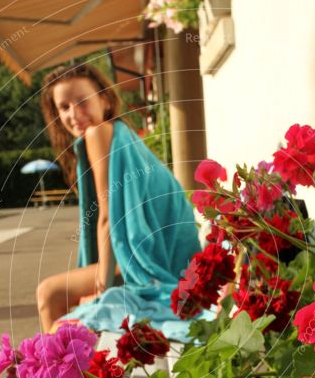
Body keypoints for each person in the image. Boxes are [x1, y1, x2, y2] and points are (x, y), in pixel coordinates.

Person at [37, 62, 203, 338]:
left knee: (49, 293)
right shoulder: (121, 134)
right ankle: (71, 372)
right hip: (169, 255)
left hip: (158, 263)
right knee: (65, 296)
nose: (74, 114)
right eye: (64, 107)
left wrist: (102, 290)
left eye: (82, 101)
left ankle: (57, 375)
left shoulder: (99, 132)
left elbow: (106, 216)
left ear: (104, 99)